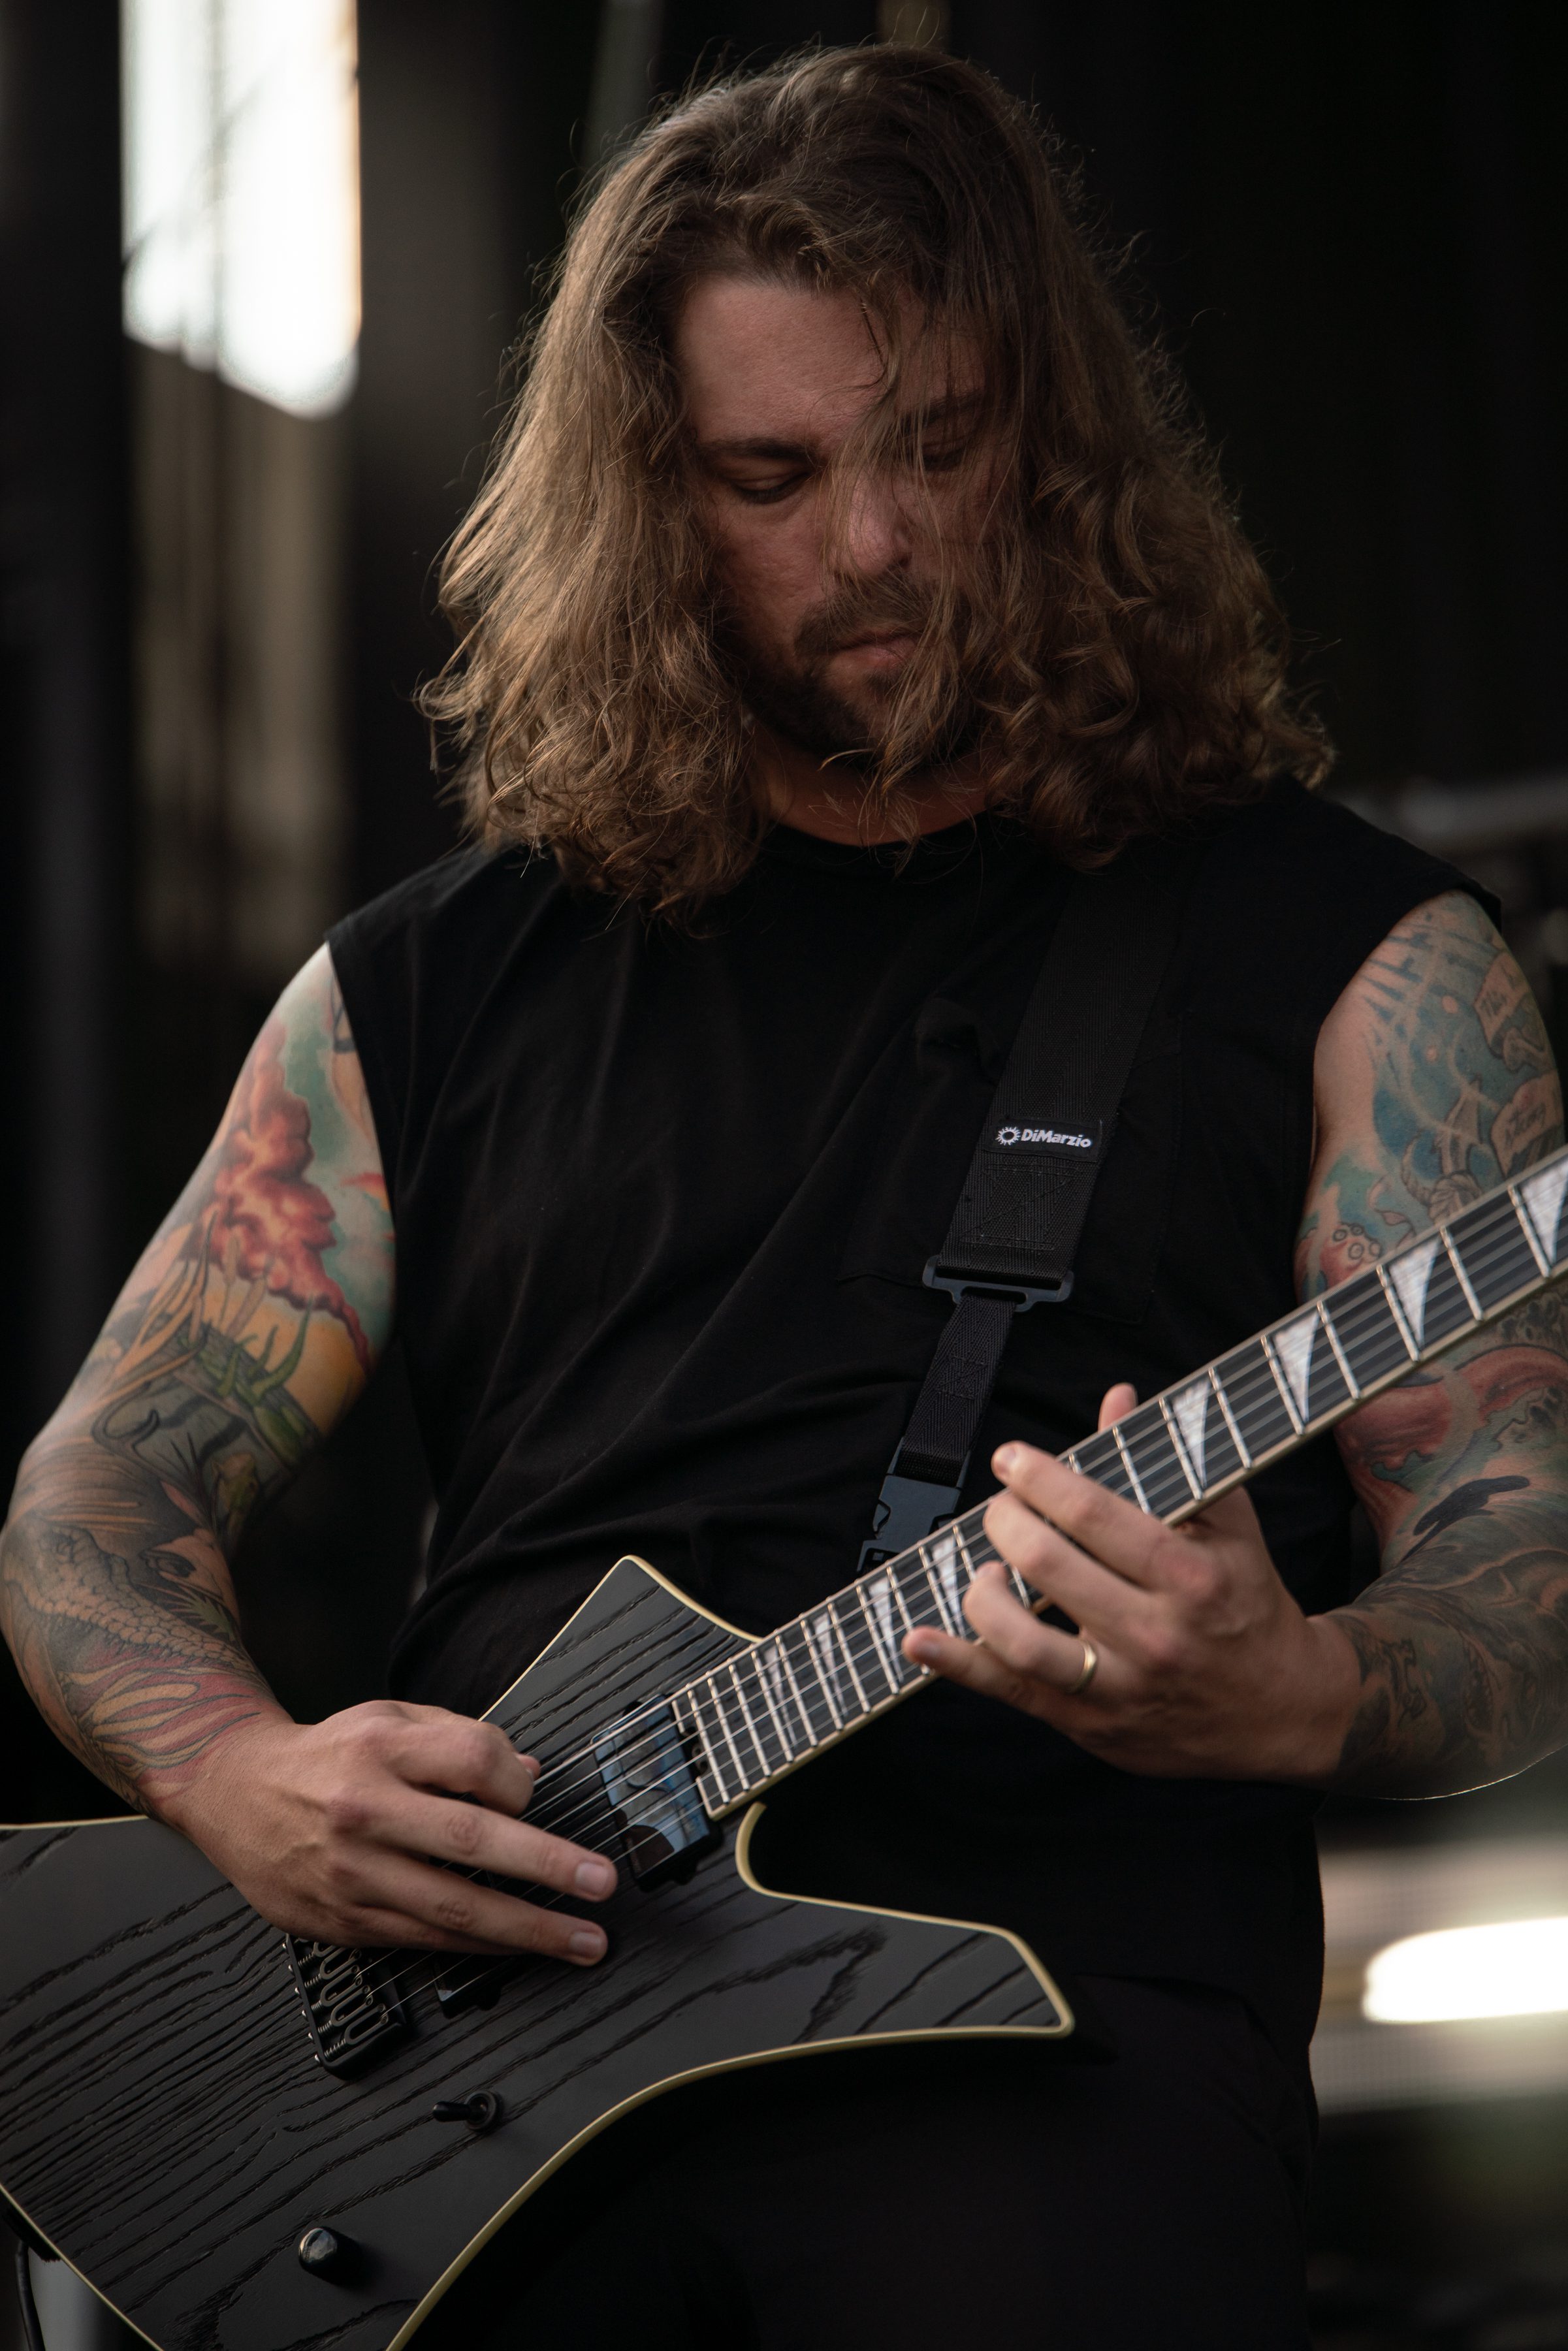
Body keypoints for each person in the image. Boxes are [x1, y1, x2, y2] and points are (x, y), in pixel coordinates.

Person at [5, 44, 1568, 2350]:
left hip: (1044, 2056)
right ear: (648, 503)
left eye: (936, 444)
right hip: (460, 2108)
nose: (872, 541)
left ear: (1048, 436)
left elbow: (1524, 1553)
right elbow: (95, 1491)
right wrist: (242, 1778)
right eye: (770, 473)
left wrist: (1303, 1686)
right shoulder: (428, 987)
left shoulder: (1352, 965)